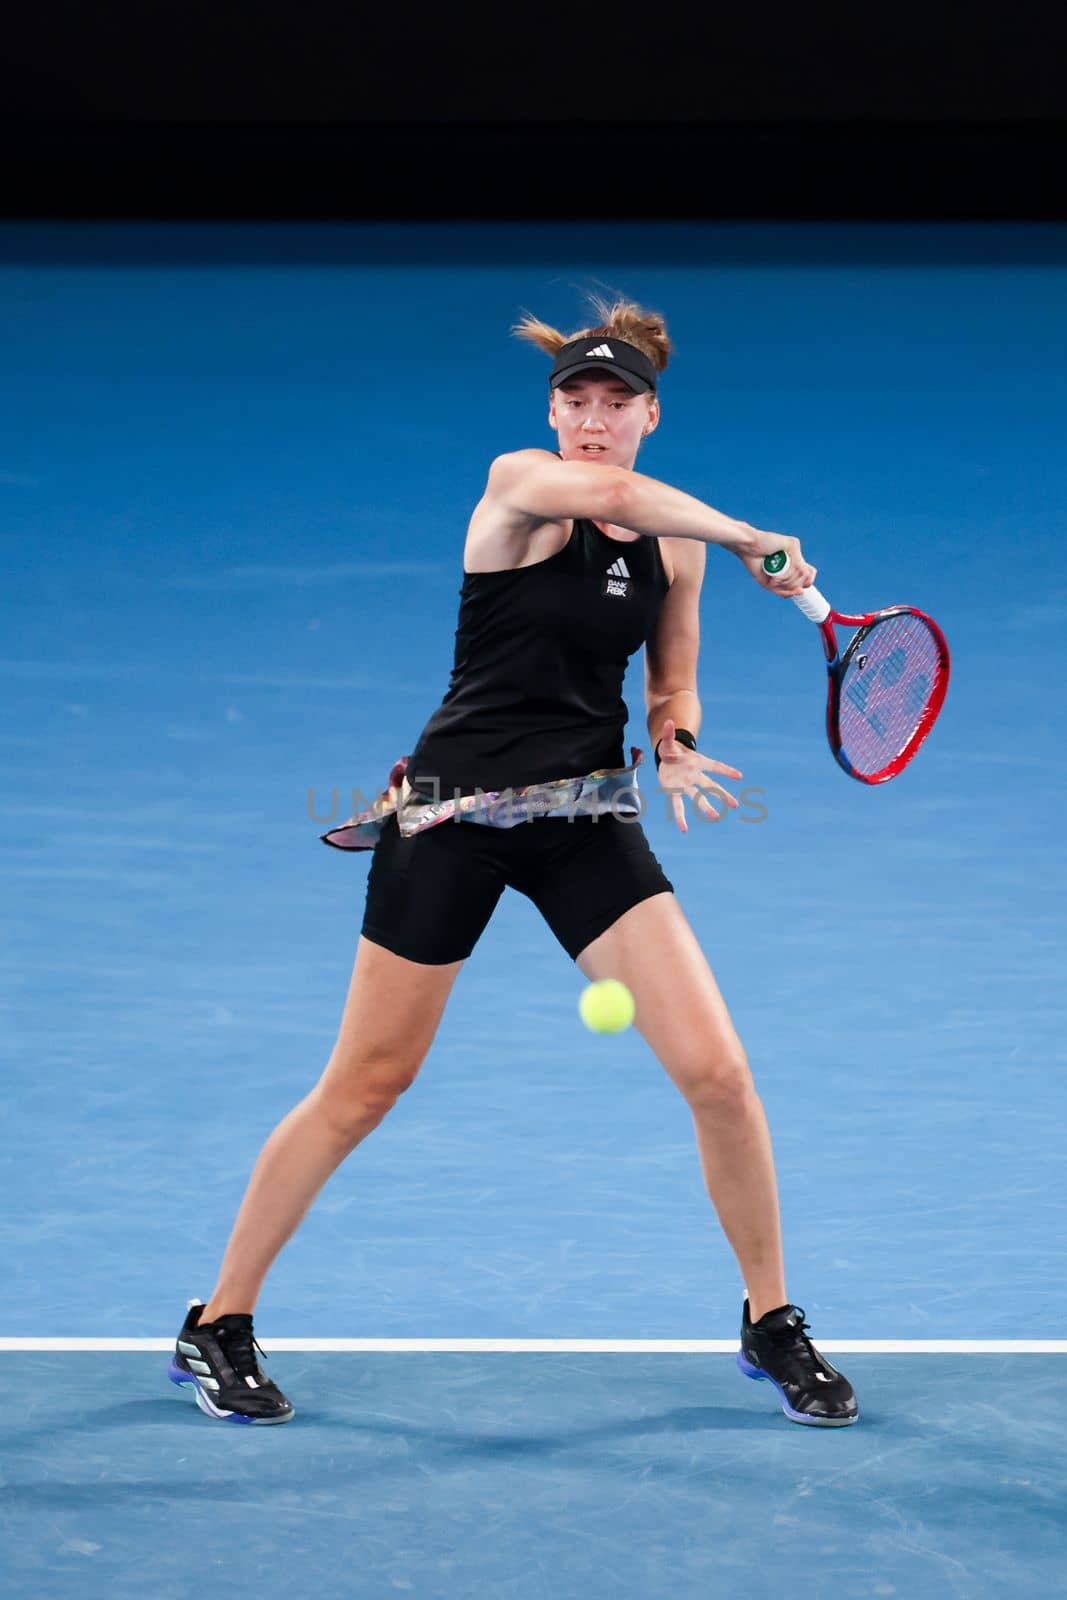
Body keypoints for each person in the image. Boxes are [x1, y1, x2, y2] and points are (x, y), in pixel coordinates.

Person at [168, 295, 859, 1429]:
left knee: (720, 1076)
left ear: (650, 412)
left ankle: (769, 1318)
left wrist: (675, 742)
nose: (591, 421)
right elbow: (608, 498)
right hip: (450, 815)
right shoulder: (519, 486)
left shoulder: (675, 541)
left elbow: (669, 676)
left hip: (584, 814)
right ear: (551, 412)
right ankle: (218, 1321)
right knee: (366, 1084)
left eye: (614, 402)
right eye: (573, 401)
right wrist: (754, 537)